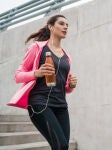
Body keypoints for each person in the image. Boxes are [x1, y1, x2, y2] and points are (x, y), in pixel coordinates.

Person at [10, 14, 77, 150]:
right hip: (40, 103)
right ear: (50, 27)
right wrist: (37, 73)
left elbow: (65, 87)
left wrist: (70, 85)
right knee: (61, 145)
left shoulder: (66, 56)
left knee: (62, 147)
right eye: (61, 24)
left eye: (67, 25)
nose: (65, 27)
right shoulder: (37, 48)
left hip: (61, 105)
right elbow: (18, 76)